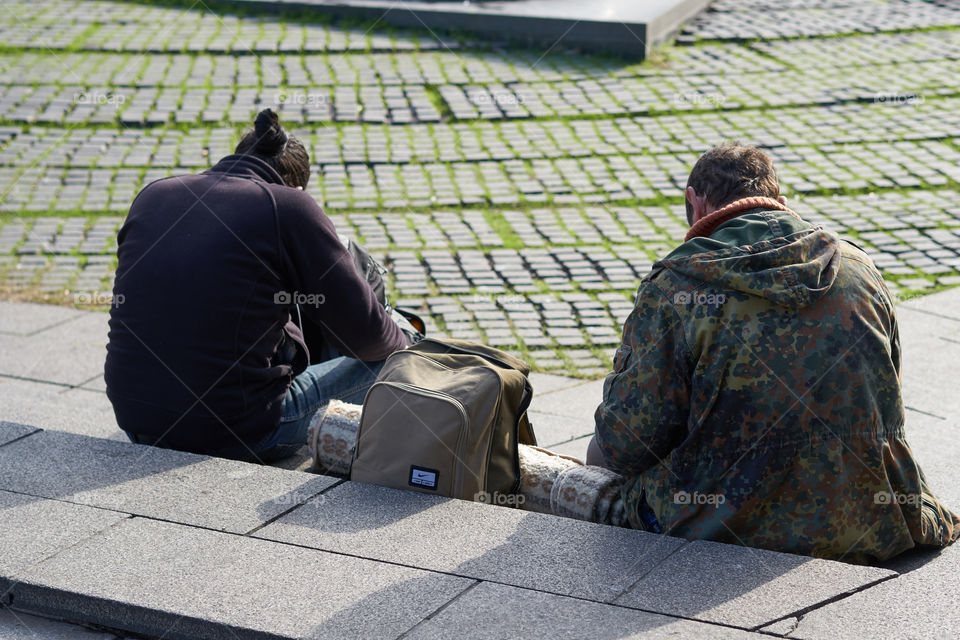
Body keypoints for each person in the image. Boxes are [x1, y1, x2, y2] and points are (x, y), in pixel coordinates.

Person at [588, 141, 959, 563]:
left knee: (598, 455)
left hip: (721, 525)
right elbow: (886, 393)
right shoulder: (859, 267)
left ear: (694, 202)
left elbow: (627, 443)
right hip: (871, 517)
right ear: (780, 202)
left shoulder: (678, 286)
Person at [105, 109, 407, 462]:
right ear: (295, 188)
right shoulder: (291, 206)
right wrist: (404, 342)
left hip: (138, 419)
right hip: (240, 431)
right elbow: (371, 338)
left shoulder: (154, 194)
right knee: (399, 354)